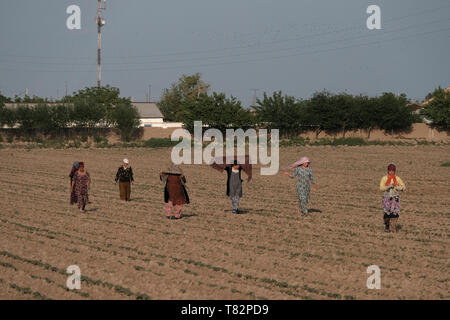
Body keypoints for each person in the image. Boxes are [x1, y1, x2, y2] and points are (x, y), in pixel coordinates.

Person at [380, 163, 406, 233]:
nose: (391, 172)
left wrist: (398, 187)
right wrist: (387, 187)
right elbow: (381, 188)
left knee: (395, 213)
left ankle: (393, 228)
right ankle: (387, 225)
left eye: (393, 171)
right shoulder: (384, 178)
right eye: (390, 170)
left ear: (395, 171)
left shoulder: (397, 179)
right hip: (386, 198)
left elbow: (403, 187)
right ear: (387, 171)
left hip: (395, 198)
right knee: (387, 214)